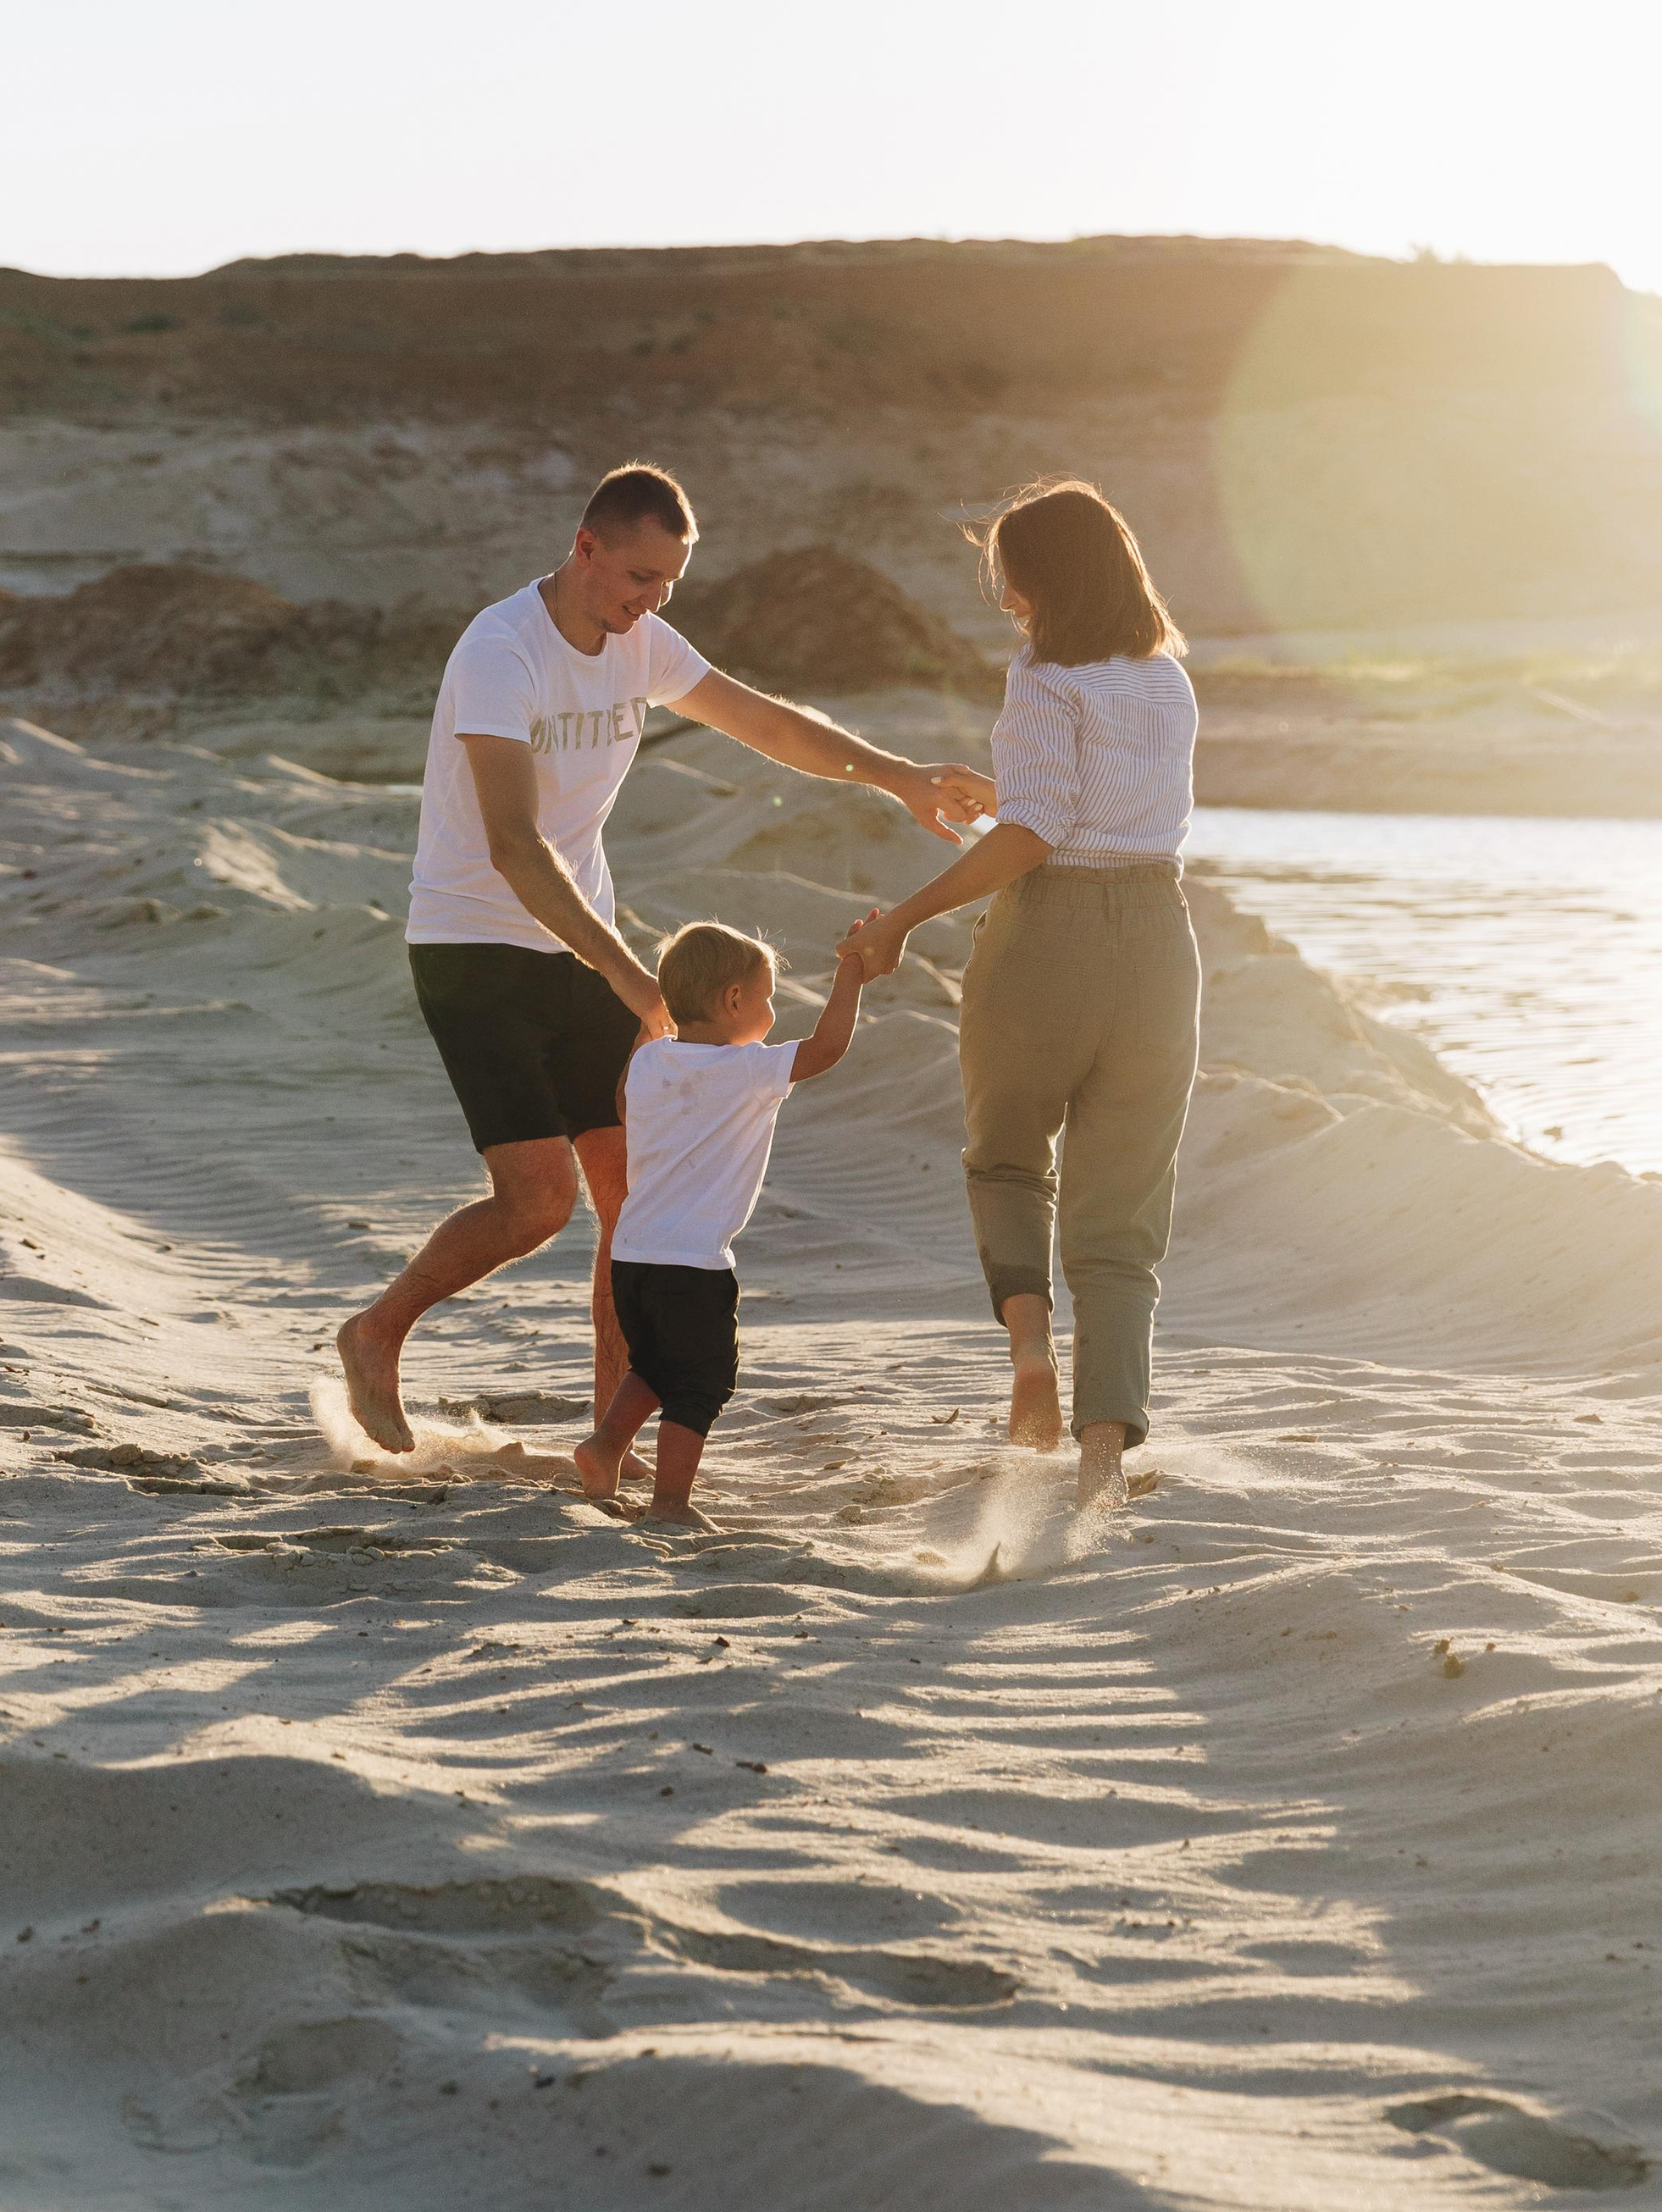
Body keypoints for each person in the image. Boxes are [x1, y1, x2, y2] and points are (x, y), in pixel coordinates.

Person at [337, 462, 987, 1453]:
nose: (651, 602)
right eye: (639, 577)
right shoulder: (499, 650)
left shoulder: (641, 644)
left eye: (670, 585)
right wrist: (628, 976)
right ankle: (376, 1331)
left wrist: (900, 778)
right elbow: (513, 845)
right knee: (538, 1202)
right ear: (586, 548)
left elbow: (762, 719)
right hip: (475, 946)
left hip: (581, 939)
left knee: (633, 1206)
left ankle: (610, 1436)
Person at [844, 478, 1200, 1509]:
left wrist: (904, 917)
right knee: (1122, 1207)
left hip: (1048, 938)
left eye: (1013, 578)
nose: (1006, 600)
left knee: (1006, 1156)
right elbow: (1102, 810)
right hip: (1158, 946)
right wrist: (1001, 797)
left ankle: (1032, 1363)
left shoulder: (1044, 678)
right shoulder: (1166, 679)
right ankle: (1100, 1458)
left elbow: (1042, 834)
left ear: (1046, 581)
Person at [573, 916, 873, 1526]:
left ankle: (604, 1449)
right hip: (692, 1264)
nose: (771, 1009)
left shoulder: (653, 1061)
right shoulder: (749, 1070)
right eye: (767, 996)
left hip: (633, 1255)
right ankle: (670, 1503)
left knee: (655, 1365)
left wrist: (646, 1031)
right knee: (700, 1382)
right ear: (733, 1000)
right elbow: (828, 1049)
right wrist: (853, 976)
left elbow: (626, 1103)